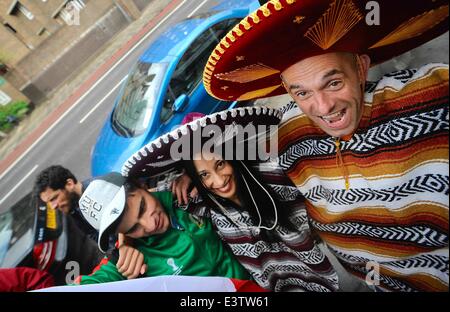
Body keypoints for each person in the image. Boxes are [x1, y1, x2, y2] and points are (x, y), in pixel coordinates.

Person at [201, 0, 449, 291]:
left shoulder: (430, 97)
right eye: (302, 92)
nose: (323, 107)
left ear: (360, 67)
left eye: (333, 83)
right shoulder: (287, 133)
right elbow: (235, 169)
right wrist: (188, 175)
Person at [121, 107, 340, 292]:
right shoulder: (205, 205)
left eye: (220, 164)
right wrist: (124, 243)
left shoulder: (271, 173)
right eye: (205, 175)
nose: (219, 181)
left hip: (318, 282)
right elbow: (136, 207)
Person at [74, 172, 254, 285]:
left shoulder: (182, 191)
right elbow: (90, 285)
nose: (150, 225)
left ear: (143, 186)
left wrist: (196, 172)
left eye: (143, 208)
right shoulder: (128, 262)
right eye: (133, 228)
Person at [33, 165, 146, 280]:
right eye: (49, 203)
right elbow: (96, 237)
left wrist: (123, 245)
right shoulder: (73, 210)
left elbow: (129, 217)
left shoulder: (102, 190)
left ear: (69, 184)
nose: (53, 206)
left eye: (54, 198)